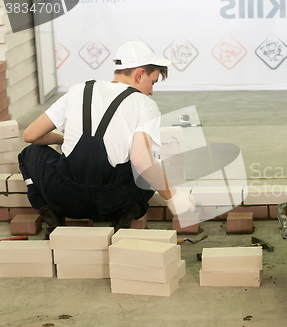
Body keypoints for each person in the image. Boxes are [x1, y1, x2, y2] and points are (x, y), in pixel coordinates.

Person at [19, 41, 196, 239]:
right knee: (149, 163)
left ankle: (52, 219)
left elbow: (30, 136)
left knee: (29, 153)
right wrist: (172, 195)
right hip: (115, 204)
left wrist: (62, 140)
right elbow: (142, 161)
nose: (151, 91)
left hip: (64, 199)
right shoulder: (145, 104)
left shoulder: (78, 90)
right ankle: (123, 224)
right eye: (152, 82)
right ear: (139, 74)